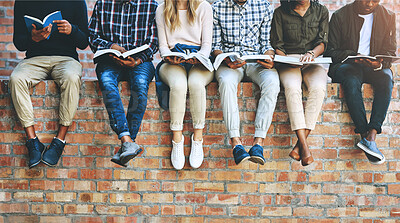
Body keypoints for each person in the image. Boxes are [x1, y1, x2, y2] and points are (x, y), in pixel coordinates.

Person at [10, 0, 89, 168]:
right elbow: (19, 42)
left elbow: (84, 42)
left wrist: (72, 30)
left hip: (66, 58)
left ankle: (59, 140)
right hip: (35, 59)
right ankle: (32, 141)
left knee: (71, 77)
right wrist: (33, 37)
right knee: (16, 78)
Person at [88, 0, 158, 167]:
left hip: (140, 61)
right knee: (106, 80)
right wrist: (112, 46)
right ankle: (128, 141)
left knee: (140, 85)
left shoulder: (151, 5)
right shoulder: (103, 3)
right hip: (111, 60)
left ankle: (127, 142)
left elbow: (154, 42)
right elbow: (92, 36)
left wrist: (138, 60)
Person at [325, 0, 396, 164]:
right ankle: (365, 135)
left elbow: (390, 51)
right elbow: (331, 51)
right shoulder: (340, 16)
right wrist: (353, 55)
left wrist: (380, 63)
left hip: (373, 66)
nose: (370, 4)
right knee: (351, 79)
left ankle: (372, 134)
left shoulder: (388, 17)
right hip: (346, 65)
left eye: (375, 1)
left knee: (386, 77)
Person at [212, 0, 280, 165]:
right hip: (230, 62)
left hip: (256, 61)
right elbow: (215, 46)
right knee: (226, 83)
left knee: (272, 82)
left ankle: (258, 143)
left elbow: (266, 44)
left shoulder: (263, 6)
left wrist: (269, 57)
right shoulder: (217, 7)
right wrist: (226, 58)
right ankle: (236, 143)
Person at [155, 0, 213, 170]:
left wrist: (198, 57)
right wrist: (170, 57)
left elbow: (207, 45)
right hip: (173, 61)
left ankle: (198, 138)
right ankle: (177, 139)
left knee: (195, 83)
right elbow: (163, 47)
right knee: (179, 84)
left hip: (199, 60)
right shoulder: (162, 9)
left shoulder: (204, 7)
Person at [270, 0, 329, 166]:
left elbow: (323, 42)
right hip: (288, 62)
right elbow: (277, 45)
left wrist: (311, 54)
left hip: (313, 61)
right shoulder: (280, 13)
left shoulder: (321, 11)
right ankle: (304, 146)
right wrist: (287, 60)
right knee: (292, 88)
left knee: (318, 88)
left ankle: (299, 146)